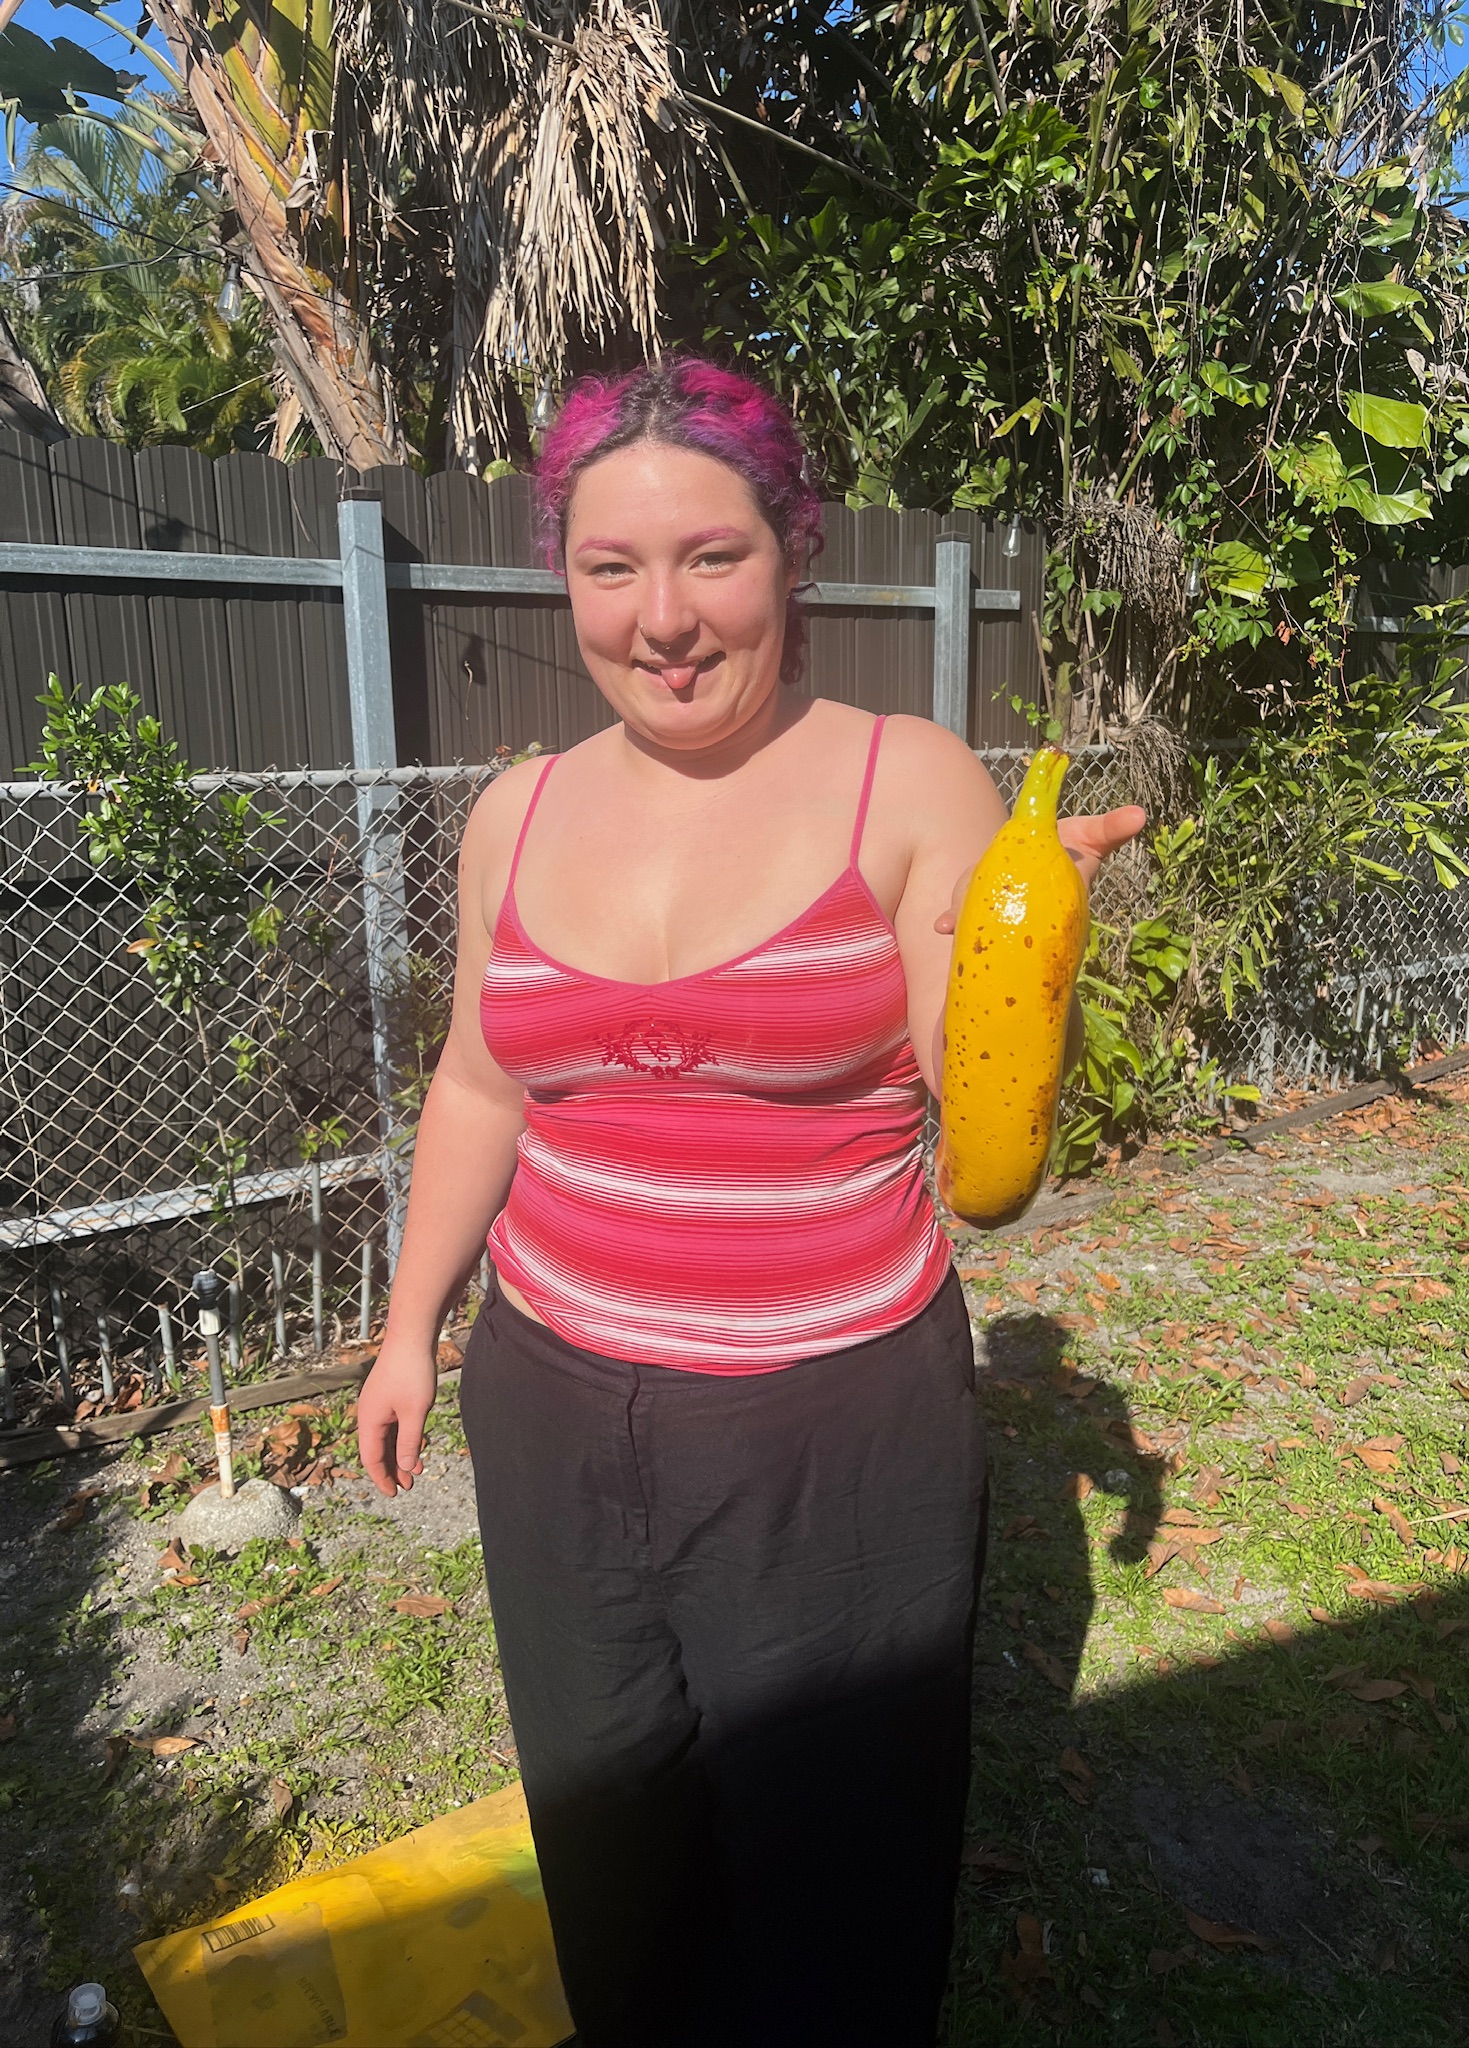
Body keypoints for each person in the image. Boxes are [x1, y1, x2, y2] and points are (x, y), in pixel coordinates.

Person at [357, 356, 1144, 2048]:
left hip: (828, 1429)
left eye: (711, 556)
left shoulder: (907, 779)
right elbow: (479, 1084)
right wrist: (411, 1327)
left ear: (793, 551)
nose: (663, 618)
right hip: (554, 1397)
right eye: (610, 566)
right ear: (562, 576)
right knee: (607, 1816)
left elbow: (988, 1176)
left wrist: (1029, 947)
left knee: (835, 1870)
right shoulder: (518, 809)